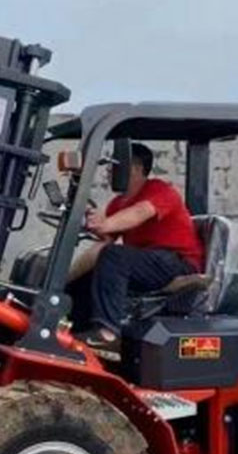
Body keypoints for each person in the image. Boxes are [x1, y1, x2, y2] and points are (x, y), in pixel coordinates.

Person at [67, 142, 205, 345]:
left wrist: (104, 223)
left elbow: (140, 213)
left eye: (115, 165)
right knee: (94, 269)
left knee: (115, 255)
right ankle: (74, 329)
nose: (109, 171)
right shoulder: (118, 203)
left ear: (137, 169)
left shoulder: (160, 190)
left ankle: (108, 333)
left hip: (178, 264)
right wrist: (64, 280)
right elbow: (100, 248)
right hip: (148, 265)